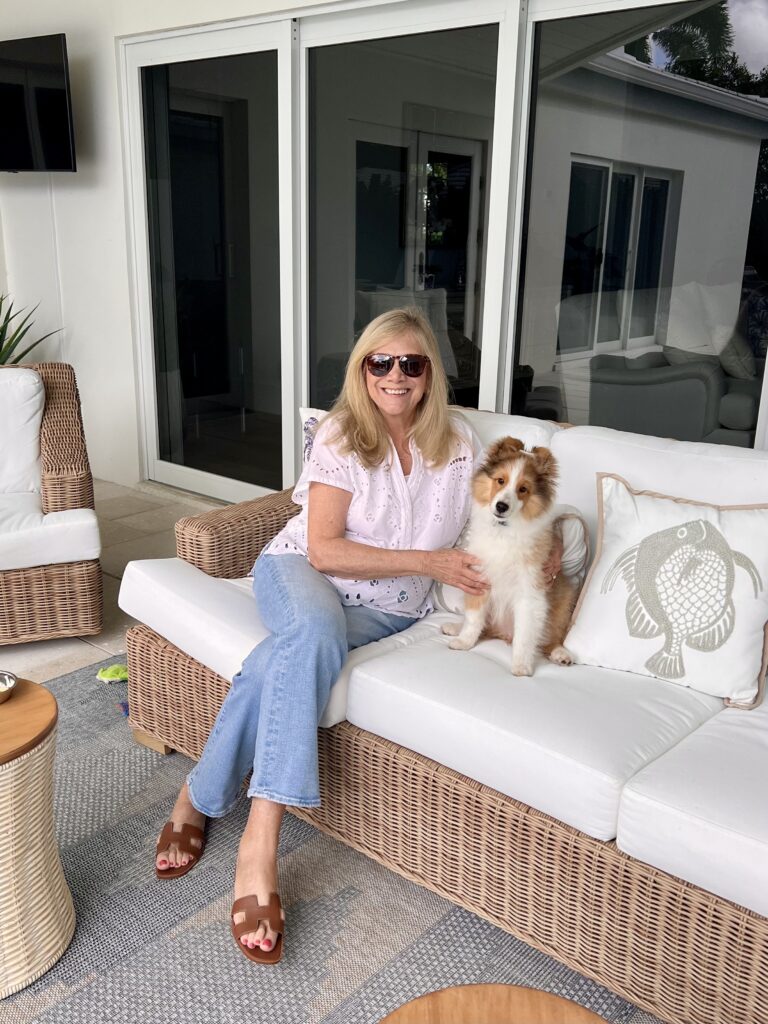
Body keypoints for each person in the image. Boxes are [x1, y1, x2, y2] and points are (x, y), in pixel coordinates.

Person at [153, 307, 491, 963]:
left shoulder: (461, 445)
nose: (395, 376)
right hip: (301, 576)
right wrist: (430, 562)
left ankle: (197, 794)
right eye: (380, 362)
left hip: (392, 608)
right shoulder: (341, 434)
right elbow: (326, 550)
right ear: (362, 369)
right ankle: (260, 845)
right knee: (311, 633)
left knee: (284, 659)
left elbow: (494, 518)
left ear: (430, 375)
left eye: (411, 364)